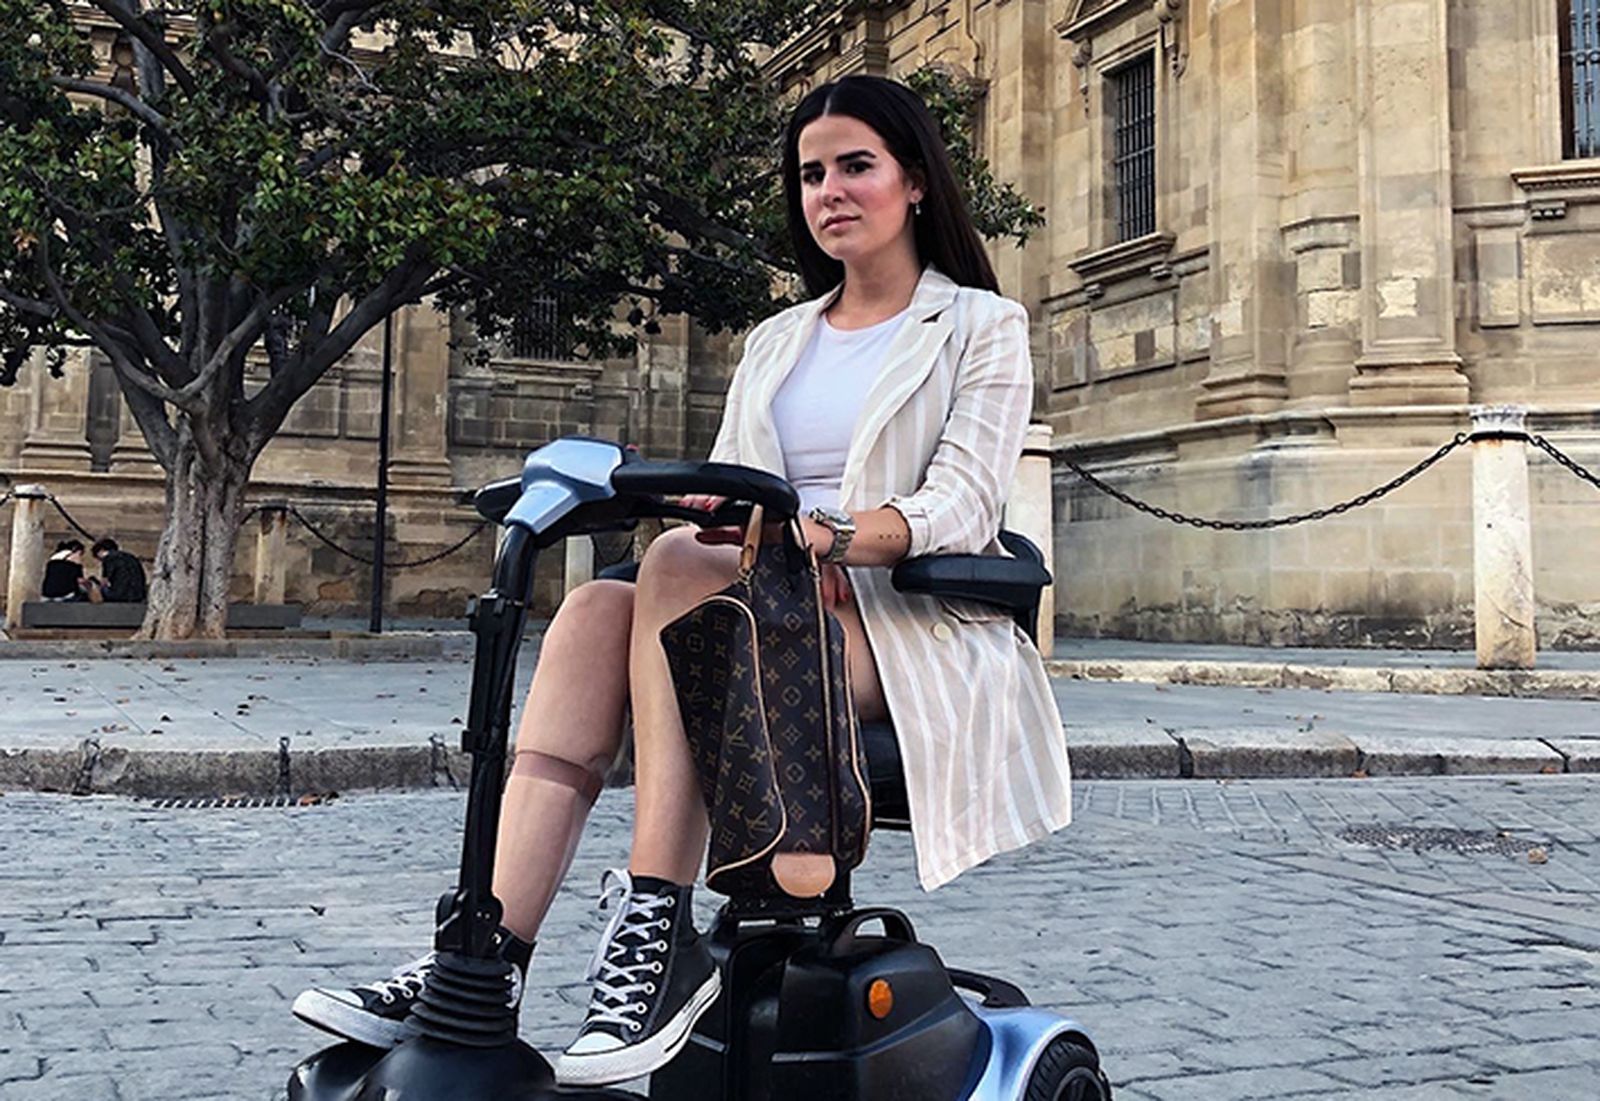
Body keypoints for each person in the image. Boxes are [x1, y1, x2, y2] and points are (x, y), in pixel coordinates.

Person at [291, 74, 1073, 1087]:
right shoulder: (777, 340)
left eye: (855, 166)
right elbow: (733, 486)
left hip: (903, 621)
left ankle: (657, 932)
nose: (829, 190)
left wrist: (822, 537)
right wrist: (697, 508)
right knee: (593, 607)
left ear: (913, 180)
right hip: (760, 601)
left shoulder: (978, 326)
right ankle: (480, 961)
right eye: (810, 174)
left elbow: (962, 507)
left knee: (670, 570)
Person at [89, 538, 147, 603]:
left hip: (120, 595)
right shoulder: (130, 557)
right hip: (138, 594)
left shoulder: (108, 559)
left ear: (100, 551)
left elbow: (104, 582)